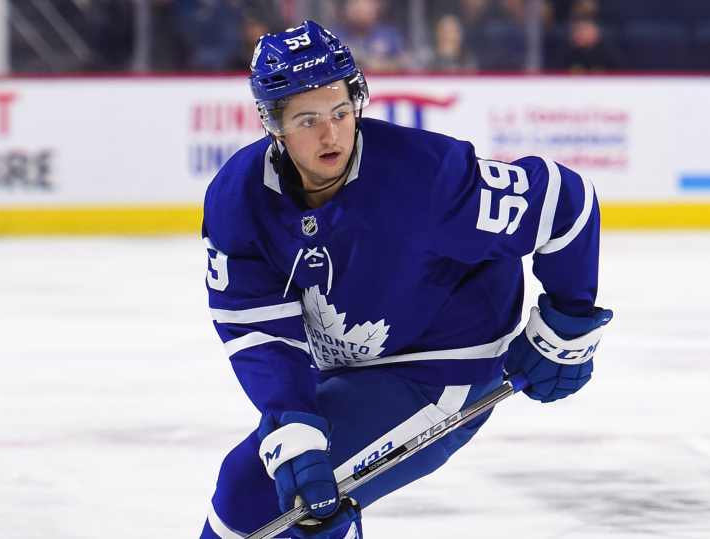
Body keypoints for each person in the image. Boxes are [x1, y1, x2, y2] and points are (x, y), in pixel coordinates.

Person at [199, 20, 612, 539]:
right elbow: (258, 330)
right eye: (307, 120)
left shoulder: (429, 179)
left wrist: (570, 323)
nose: (330, 135)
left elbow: (564, 202)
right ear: (273, 124)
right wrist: (294, 418)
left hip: (440, 368)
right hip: (351, 365)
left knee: (253, 493)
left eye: (341, 112)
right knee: (288, 492)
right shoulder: (239, 198)